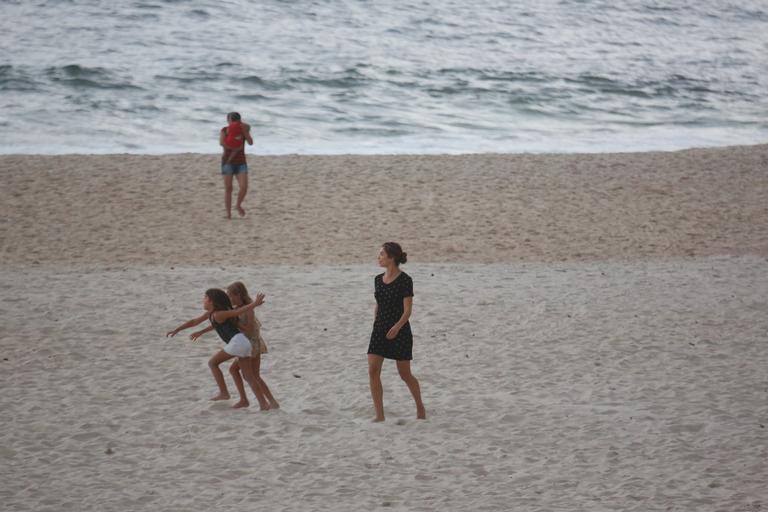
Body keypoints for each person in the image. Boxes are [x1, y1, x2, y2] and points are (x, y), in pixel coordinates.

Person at [166, 288, 269, 409]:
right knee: (249, 376)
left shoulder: (220, 313)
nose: (203, 300)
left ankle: (224, 392)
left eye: (205, 298)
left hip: (238, 343)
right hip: (244, 343)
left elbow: (238, 312)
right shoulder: (212, 314)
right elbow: (194, 321)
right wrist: (178, 329)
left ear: (211, 301)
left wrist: (254, 304)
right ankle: (263, 404)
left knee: (213, 363)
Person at [367, 242, 426, 422]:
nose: (379, 257)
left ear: (392, 258)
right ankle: (379, 415)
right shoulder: (378, 279)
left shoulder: (405, 280)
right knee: (373, 371)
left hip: (400, 330)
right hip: (379, 329)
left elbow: (407, 310)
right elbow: (379, 303)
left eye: (382, 254)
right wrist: (376, 320)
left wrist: (396, 327)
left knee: (405, 374)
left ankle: (420, 407)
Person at [227, 281, 280, 410]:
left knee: (248, 375)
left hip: (251, 345)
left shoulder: (248, 309)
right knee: (247, 374)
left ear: (238, 295)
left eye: (230, 296)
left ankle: (250, 401)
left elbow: (249, 330)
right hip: (250, 344)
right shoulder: (237, 309)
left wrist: (236, 323)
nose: (229, 298)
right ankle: (271, 402)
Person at [219, 112, 253, 219]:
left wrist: (244, 131)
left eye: (232, 120)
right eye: (230, 120)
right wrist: (234, 148)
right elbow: (221, 143)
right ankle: (228, 214)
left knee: (244, 187)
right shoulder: (224, 130)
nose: (231, 122)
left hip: (241, 162)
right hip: (227, 163)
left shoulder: (243, 129)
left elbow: (251, 142)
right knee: (229, 188)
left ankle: (238, 205)